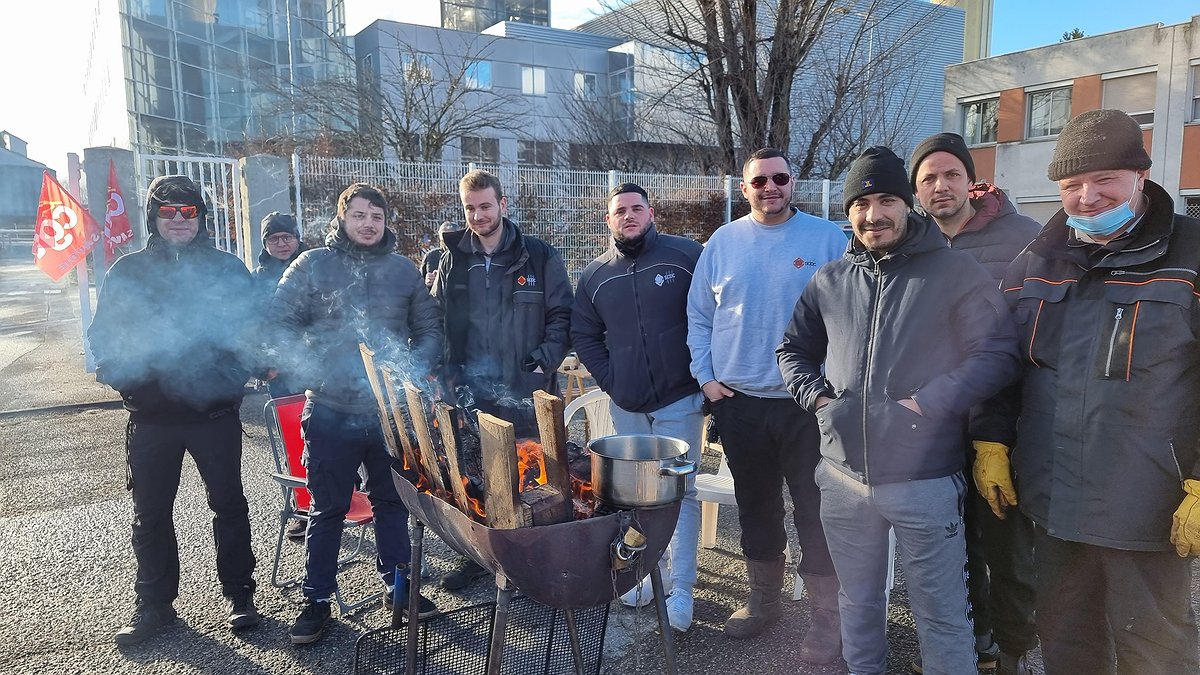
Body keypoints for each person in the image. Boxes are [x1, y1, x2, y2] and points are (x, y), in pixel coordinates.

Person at [777, 146, 1020, 675]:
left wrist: (927, 402)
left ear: (908, 204)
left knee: (941, 615)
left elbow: (998, 355)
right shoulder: (831, 280)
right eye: (861, 203)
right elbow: (791, 349)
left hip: (925, 479)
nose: (873, 214)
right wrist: (818, 398)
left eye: (886, 199)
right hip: (842, 478)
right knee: (857, 605)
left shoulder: (957, 272)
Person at [975, 109, 1200, 674]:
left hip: (1148, 504)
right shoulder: (1036, 260)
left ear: (1140, 178)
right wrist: (992, 441)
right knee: (1068, 643)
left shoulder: (1191, 256)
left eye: (1105, 180)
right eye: (1072, 184)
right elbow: (1004, 363)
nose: (1088, 196)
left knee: (1155, 648)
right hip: (1053, 502)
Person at [686, 147, 845, 659]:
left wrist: (833, 388)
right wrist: (707, 379)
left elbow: (852, 315)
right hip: (739, 402)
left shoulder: (826, 238)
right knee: (756, 504)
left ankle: (826, 617)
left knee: (814, 508)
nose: (770, 188)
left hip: (806, 403)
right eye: (759, 181)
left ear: (793, 182)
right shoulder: (722, 242)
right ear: (744, 188)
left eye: (779, 178)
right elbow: (699, 317)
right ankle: (763, 600)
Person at [89, 175, 260, 645]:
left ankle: (240, 595)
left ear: (202, 217)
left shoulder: (226, 269)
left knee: (228, 505)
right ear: (154, 217)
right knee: (150, 514)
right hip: (152, 418)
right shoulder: (127, 272)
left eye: (189, 212)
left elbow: (252, 332)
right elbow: (102, 338)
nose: (180, 220)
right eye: (169, 212)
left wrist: (230, 379)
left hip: (213, 416)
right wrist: (129, 382)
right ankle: (154, 604)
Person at [270, 183, 444, 645]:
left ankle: (400, 588)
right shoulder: (312, 265)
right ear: (342, 218)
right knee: (327, 508)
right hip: (329, 408)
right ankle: (317, 600)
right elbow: (279, 322)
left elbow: (429, 328)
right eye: (360, 215)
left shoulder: (403, 270)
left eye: (377, 217)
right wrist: (312, 367)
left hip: (387, 413)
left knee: (392, 502)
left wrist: (412, 368)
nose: (369, 224)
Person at [909, 132, 1040, 674]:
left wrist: (1001, 431)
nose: (941, 187)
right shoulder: (911, 243)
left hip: (1002, 419)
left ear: (971, 180)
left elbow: (1031, 337)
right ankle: (973, 646)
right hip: (935, 424)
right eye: (928, 180)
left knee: (1005, 544)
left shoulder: (1023, 238)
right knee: (950, 544)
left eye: (950, 175)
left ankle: (1012, 654)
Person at [570, 183, 704, 631]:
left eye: (636, 208)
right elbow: (584, 335)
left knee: (679, 494)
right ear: (608, 220)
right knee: (635, 497)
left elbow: (712, 315)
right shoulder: (595, 276)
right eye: (619, 211)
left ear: (651, 212)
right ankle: (648, 575)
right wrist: (612, 380)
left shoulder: (685, 256)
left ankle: (682, 588)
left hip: (679, 398)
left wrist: (702, 375)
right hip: (627, 405)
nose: (628, 216)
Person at [432, 168, 573, 590]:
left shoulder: (539, 255)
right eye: (470, 208)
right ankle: (481, 555)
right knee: (478, 475)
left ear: (503, 205)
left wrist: (540, 362)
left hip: (526, 393)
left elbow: (562, 316)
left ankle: (534, 561)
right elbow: (438, 319)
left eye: (485, 206)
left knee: (533, 479)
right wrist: (443, 372)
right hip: (472, 392)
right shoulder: (453, 260)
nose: (478, 216)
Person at [252, 211, 307, 400]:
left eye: (287, 237)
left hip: (319, 367)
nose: (281, 244)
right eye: (273, 239)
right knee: (291, 427)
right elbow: (251, 325)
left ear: (297, 238)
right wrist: (264, 367)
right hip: (280, 371)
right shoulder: (255, 280)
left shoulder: (316, 269)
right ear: (265, 244)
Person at [421, 221, 458, 289]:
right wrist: (427, 283)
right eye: (443, 238)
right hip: (435, 298)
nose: (447, 241)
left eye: (450, 237)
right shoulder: (431, 255)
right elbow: (418, 284)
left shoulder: (466, 255)